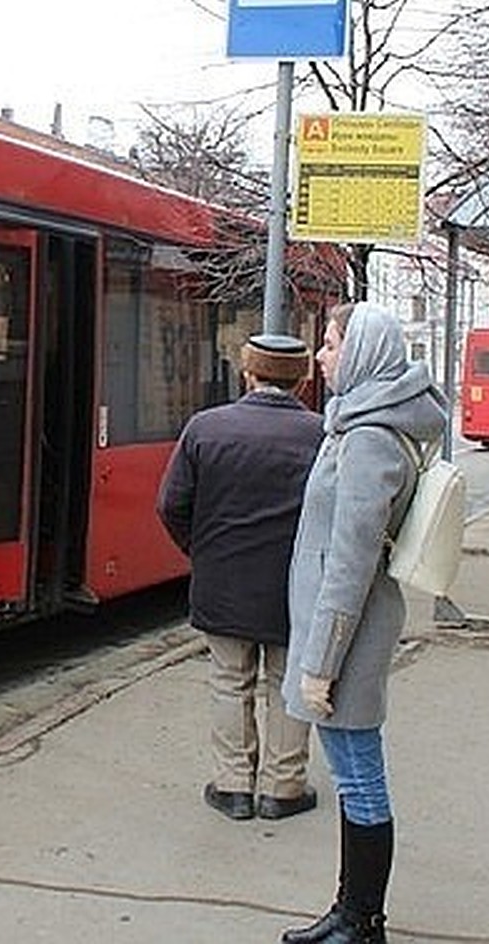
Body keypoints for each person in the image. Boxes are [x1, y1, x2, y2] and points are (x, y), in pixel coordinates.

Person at [280, 303, 448, 944]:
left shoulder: (371, 437)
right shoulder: (357, 422)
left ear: (363, 351)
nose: (320, 355)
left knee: (359, 777)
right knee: (355, 778)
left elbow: (350, 563)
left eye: (330, 342)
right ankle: (349, 913)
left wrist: (320, 665)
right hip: (342, 631)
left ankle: (362, 921)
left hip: (347, 638)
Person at [156, 333, 324, 822]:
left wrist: (202, 551)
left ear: (248, 373)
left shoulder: (206, 428)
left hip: (222, 582)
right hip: (293, 588)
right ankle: (282, 788)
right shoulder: (322, 434)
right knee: (286, 685)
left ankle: (232, 786)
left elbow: (171, 505)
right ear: (301, 379)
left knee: (229, 682)